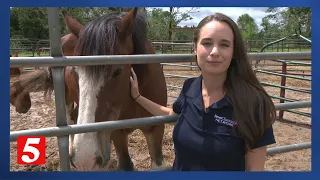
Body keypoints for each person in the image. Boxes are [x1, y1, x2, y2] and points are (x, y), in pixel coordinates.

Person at [129, 12, 276, 171]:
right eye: (207, 43)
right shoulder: (190, 87)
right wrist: (138, 97)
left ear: (234, 52)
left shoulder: (253, 103)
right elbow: (175, 117)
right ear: (195, 47)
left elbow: (255, 170)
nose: (214, 52)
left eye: (224, 44)